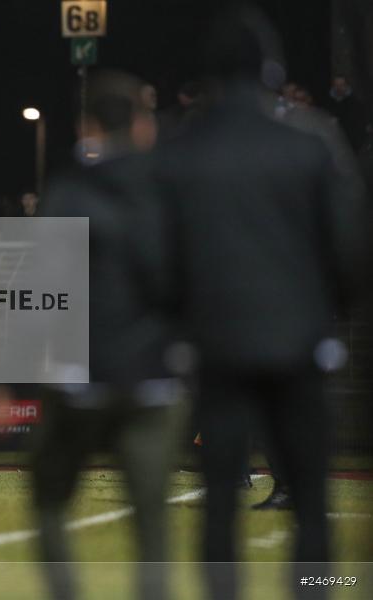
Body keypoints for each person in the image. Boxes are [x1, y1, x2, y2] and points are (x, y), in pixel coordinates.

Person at [155, 6, 367, 599]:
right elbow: (350, 249)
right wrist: (326, 315)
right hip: (298, 342)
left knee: (220, 500)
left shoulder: (179, 144)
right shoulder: (313, 138)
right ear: (270, 70)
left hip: (215, 346)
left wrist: (181, 325)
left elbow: (158, 256)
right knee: (312, 505)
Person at [32, 70, 185, 600]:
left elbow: (44, 284)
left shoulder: (71, 187)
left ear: (86, 125)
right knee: (150, 515)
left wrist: (16, 369)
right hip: (154, 374)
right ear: (143, 124)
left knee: (50, 499)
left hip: (81, 374)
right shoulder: (169, 187)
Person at [325, 75, 369, 153]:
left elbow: (360, 123)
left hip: (354, 143)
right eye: (336, 85)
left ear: (346, 86)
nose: (339, 88)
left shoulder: (355, 102)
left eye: (342, 85)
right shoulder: (328, 102)